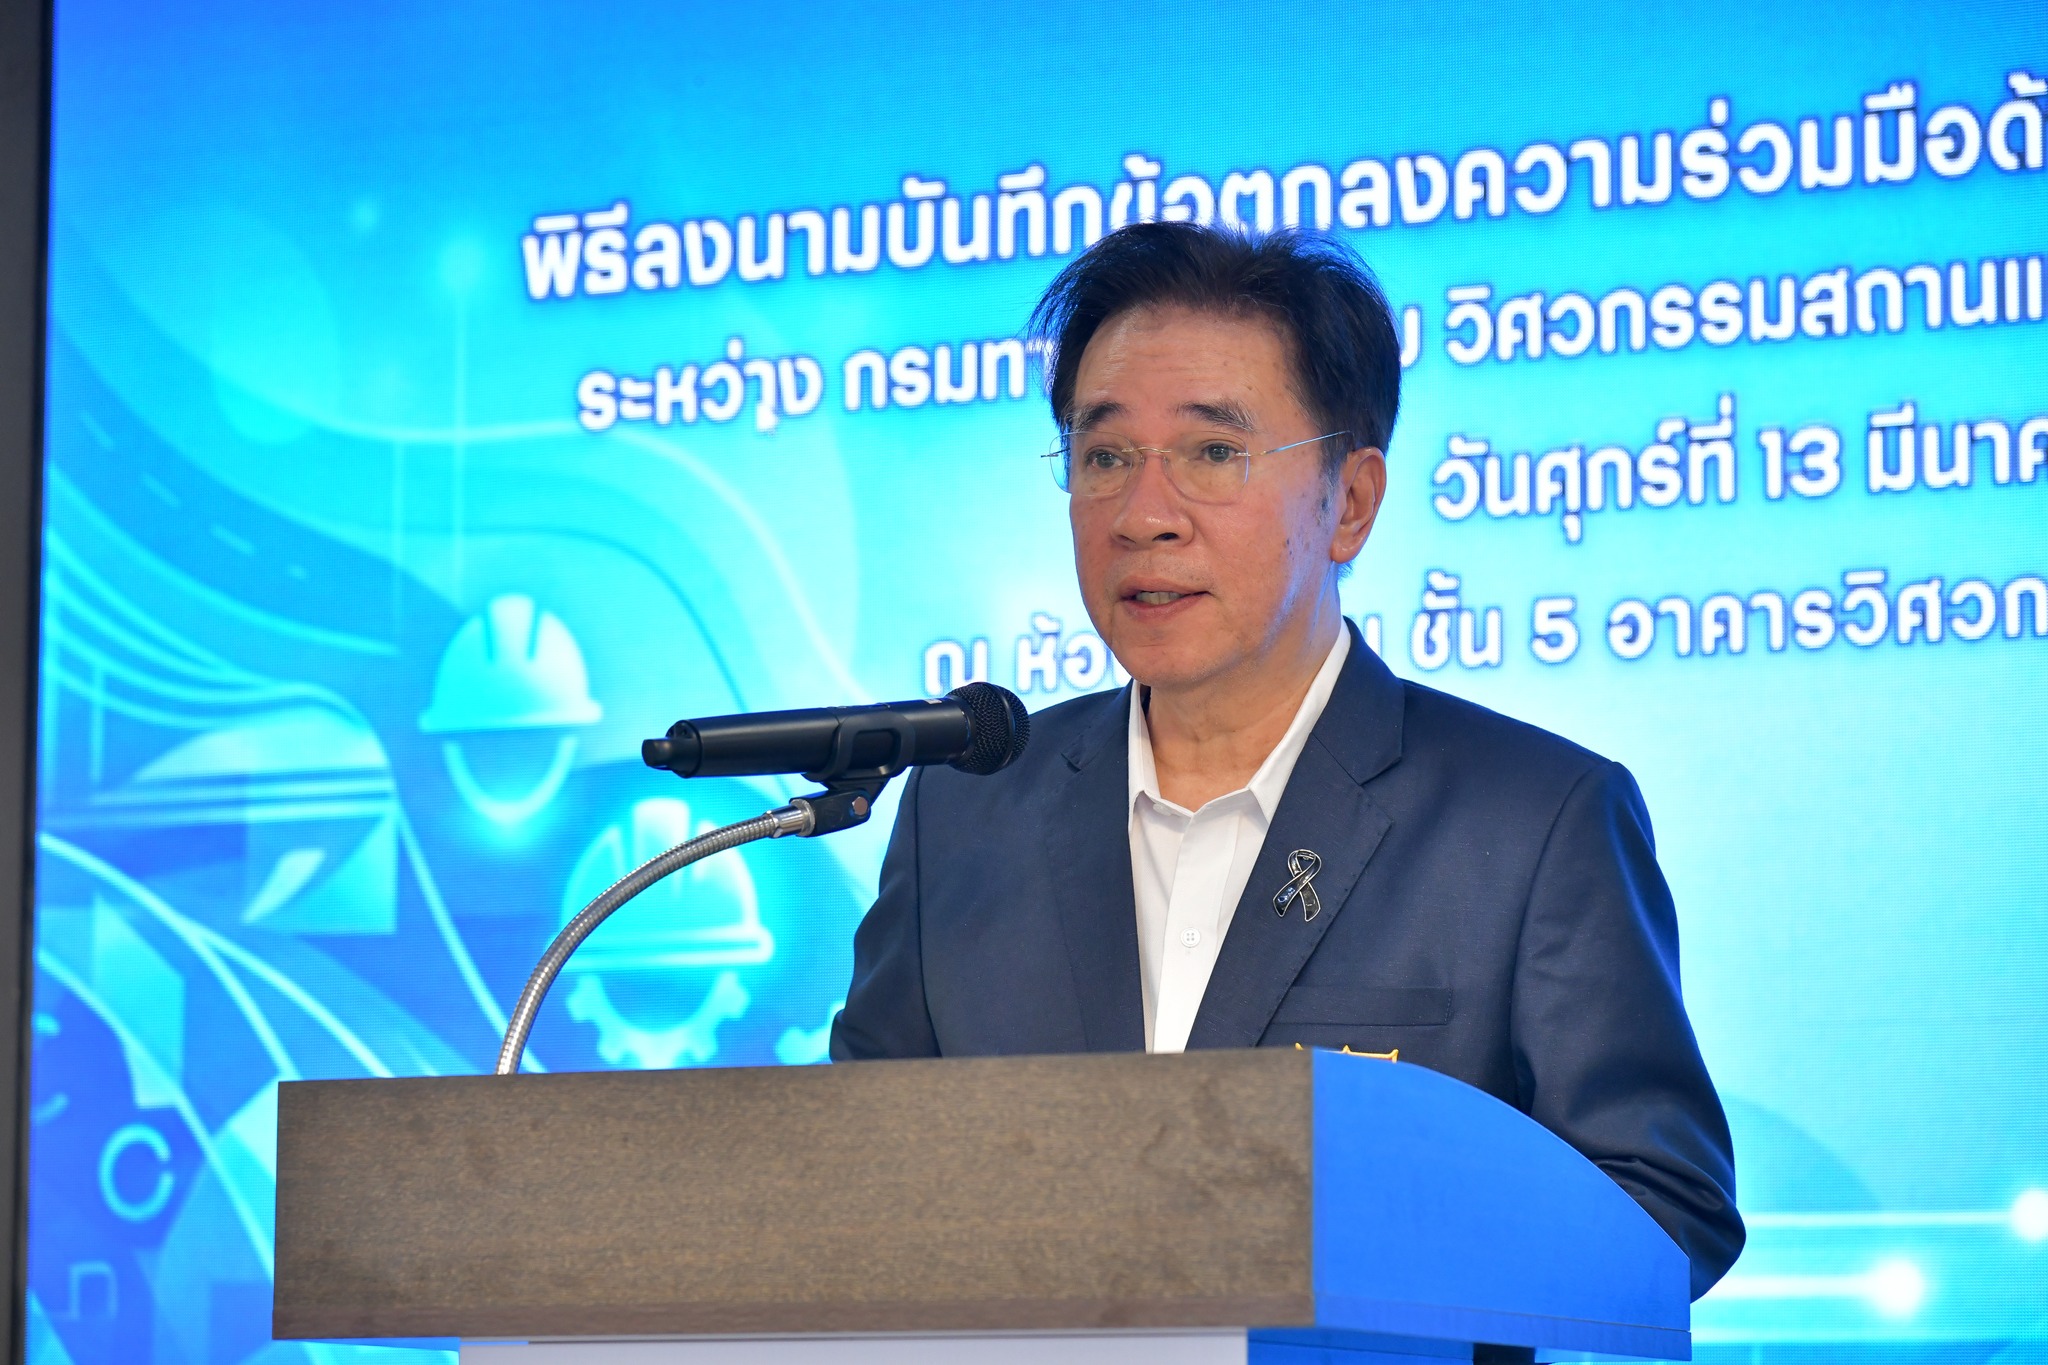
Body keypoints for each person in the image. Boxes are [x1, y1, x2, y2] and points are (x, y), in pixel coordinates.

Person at [830, 221, 1743, 1297]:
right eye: (1105, 456)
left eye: (1213, 454)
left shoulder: (1531, 823)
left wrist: (1330, 1260)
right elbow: (852, 1186)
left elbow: (1659, 1208)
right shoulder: (964, 811)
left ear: (1349, 503)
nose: (1143, 515)